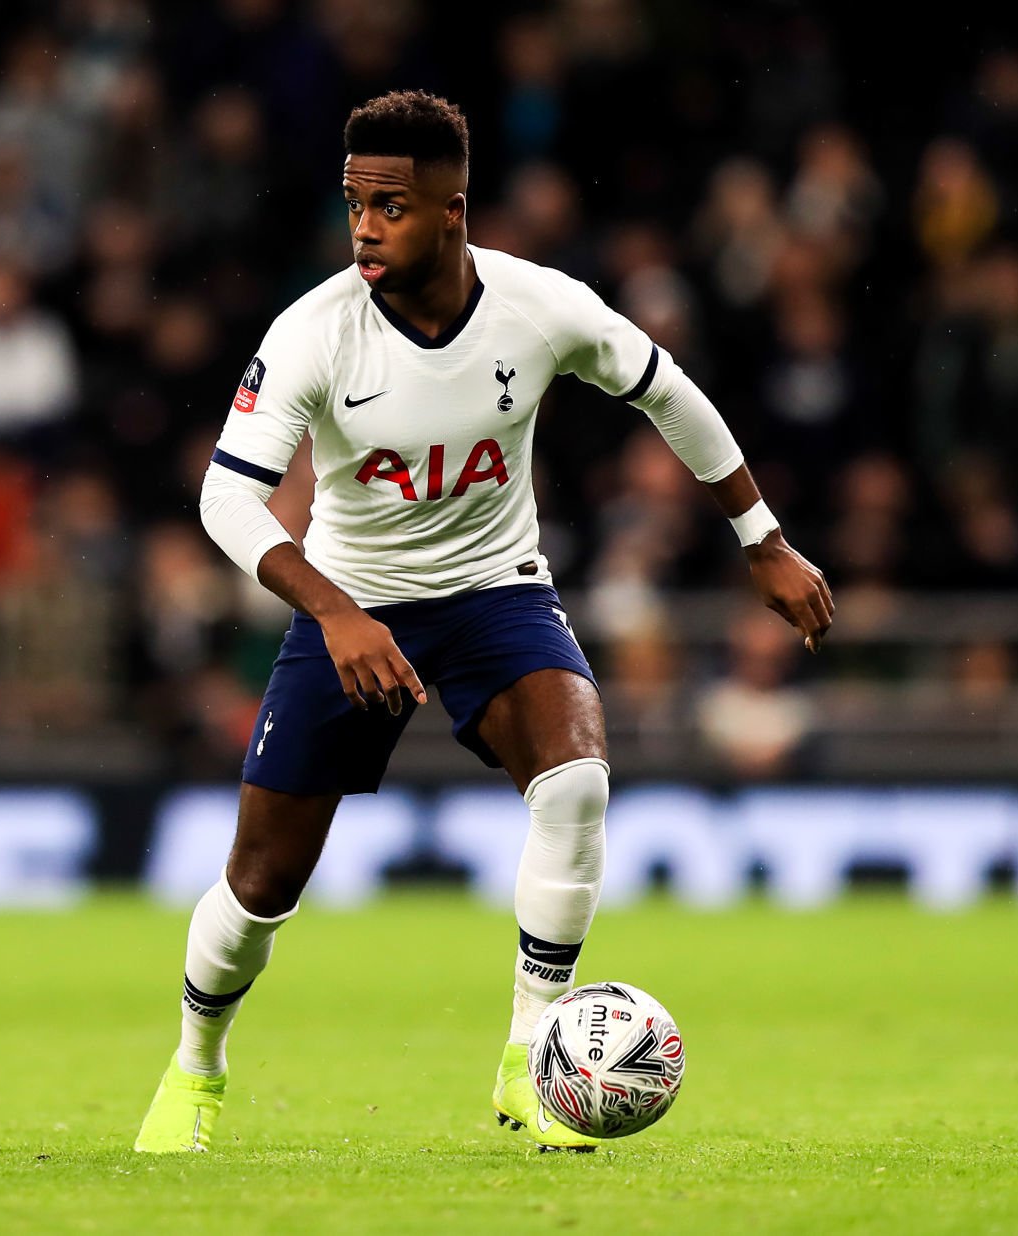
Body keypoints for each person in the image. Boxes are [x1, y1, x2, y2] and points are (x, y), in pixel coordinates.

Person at [134, 91, 833, 1154]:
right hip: (350, 603)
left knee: (577, 782)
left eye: (390, 206)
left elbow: (666, 390)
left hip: (493, 593)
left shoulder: (538, 306)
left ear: (453, 211)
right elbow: (221, 498)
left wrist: (762, 537)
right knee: (260, 882)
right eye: (353, 203)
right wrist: (332, 610)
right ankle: (196, 1067)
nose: (364, 226)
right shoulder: (312, 332)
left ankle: (527, 1062)